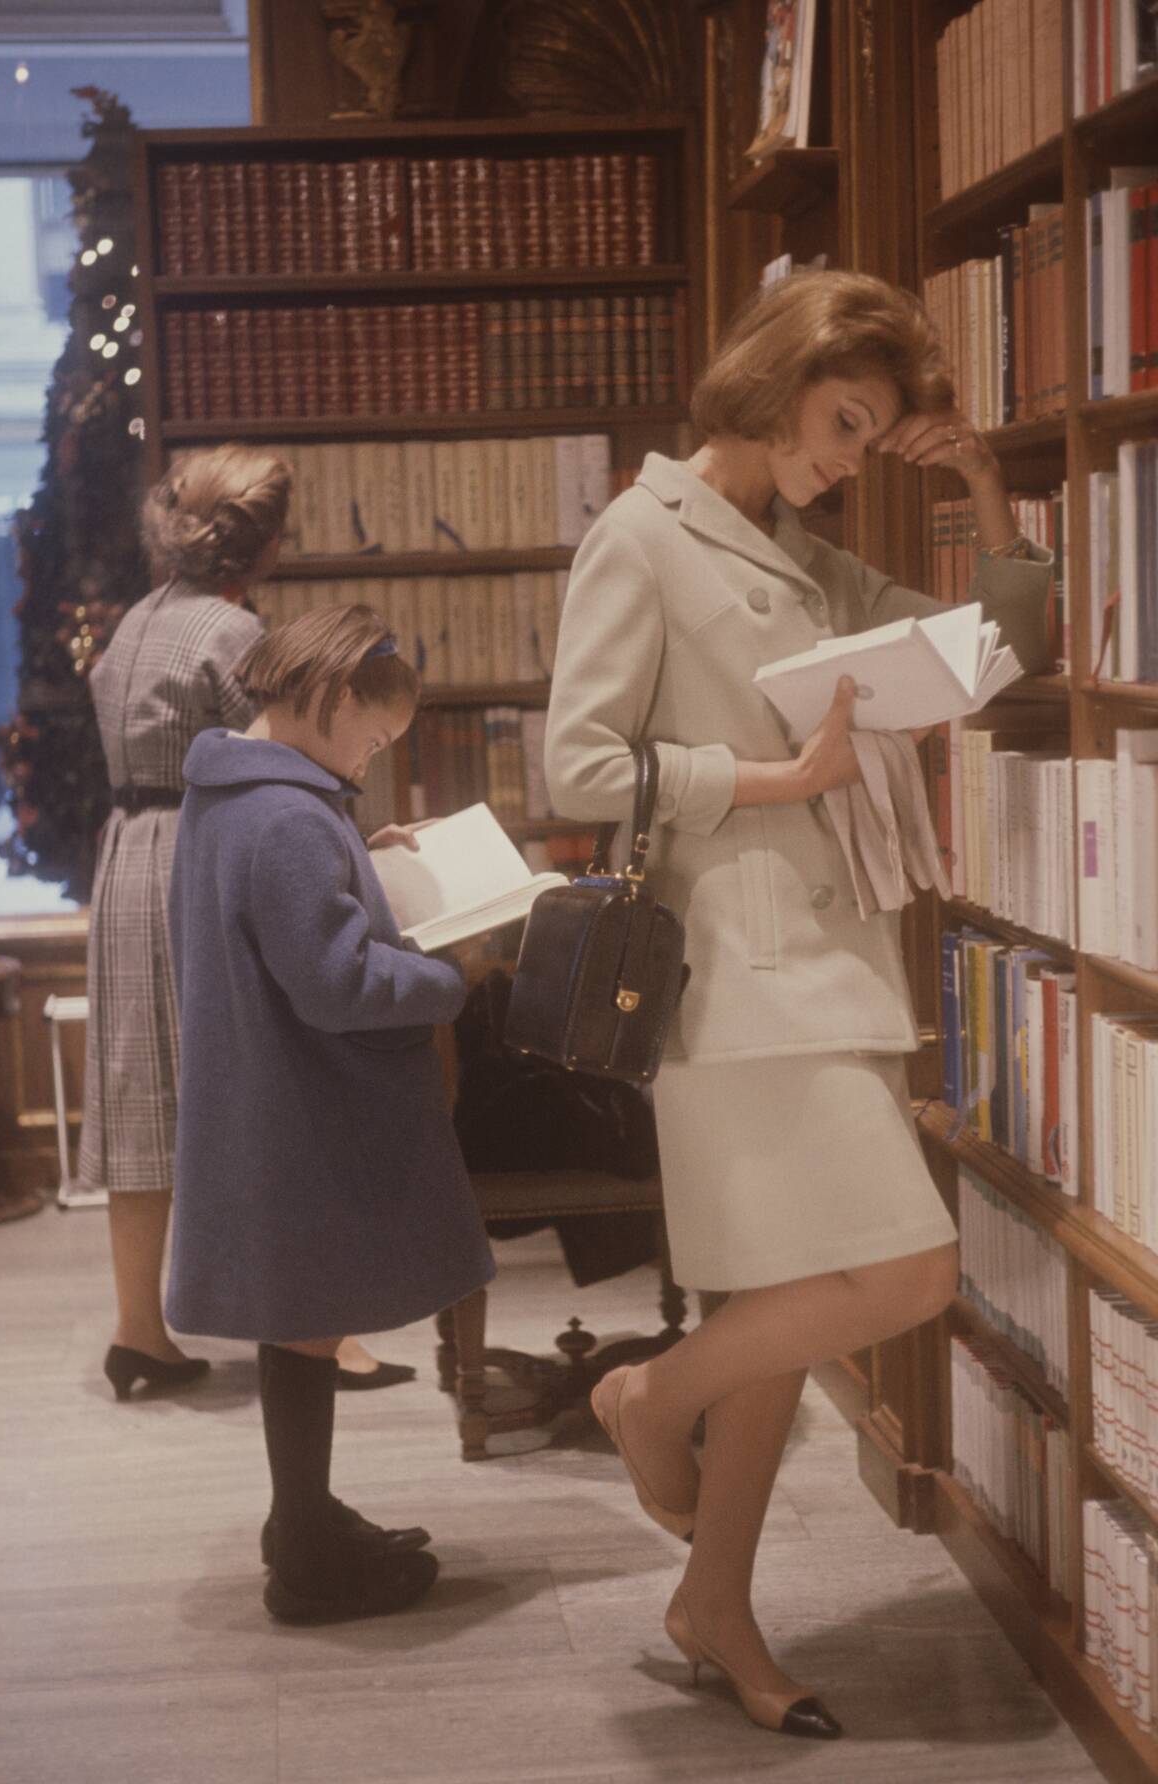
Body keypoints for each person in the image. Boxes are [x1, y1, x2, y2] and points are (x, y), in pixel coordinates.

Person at [543, 269, 1053, 1740]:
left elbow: (993, 651)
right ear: (771, 385)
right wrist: (776, 779)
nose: (847, 457)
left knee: (783, 1302)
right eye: (842, 422)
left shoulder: (802, 555)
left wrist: (989, 491)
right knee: (907, 1274)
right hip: (733, 975)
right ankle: (645, 1402)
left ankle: (715, 1604)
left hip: (825, 963)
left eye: (870, 430)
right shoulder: (640, 537)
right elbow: (578, 769)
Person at [165, 603, 495, 1623]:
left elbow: (294, 927)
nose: (372, 760)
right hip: (305, 1110)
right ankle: (306, 1559)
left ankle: (299, 1517)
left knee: (300, 1322)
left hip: (266, 1100)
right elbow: (338, 983)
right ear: (338, 696)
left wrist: (365, 862)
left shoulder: (235, 793)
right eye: (376, 738)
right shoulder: (293, 816)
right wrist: (451, 976)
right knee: (308, 1326)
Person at [80, 445, 417, 1400]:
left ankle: (140, 1330)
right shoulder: (236, 635)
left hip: (127, 854)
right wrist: (347, 844)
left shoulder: (133, 625)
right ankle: (328, 1338)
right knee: (272, 1084)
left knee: (142, 1091)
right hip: (206, 848)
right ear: (262, 544)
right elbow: (289, 754)